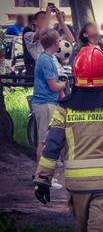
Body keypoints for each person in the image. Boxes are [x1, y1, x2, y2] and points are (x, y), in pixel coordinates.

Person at [34, 46, 103, 232]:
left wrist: (42, 179)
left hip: (76, 186)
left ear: (77, 74)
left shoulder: (64, 108)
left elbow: (52, 146)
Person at [31, 29, 66, 188]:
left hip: (47, 102)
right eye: (58, 40)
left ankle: (45, 176)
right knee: (44, 141)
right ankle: (42, 178)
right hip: (45, 103)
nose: (60, 42)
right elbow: (53, 86)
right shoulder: (46, 60)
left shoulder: (48, 58)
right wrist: (64, 84)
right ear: (54, 43)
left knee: (46, 139)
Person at [24, 4, 75, 75]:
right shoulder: (28, 35)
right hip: (46, 73)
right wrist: (48, 13)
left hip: (59, 72)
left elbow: (72, 41)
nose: (46, 21)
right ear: (34, 21)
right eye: (42, 18)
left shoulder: (49, 34)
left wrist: (61, 21)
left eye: (46, 18)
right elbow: (41, 32)